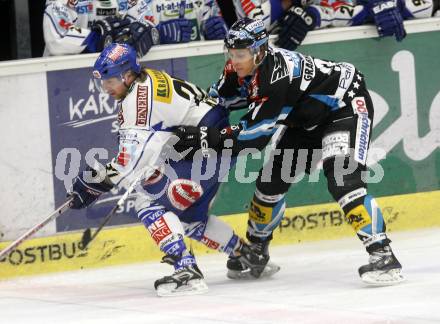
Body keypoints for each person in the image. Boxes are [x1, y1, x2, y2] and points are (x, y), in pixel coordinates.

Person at [174, 17, 405, 285]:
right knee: (269, 184)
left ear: (259, 51)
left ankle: (383, 255)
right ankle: (256, 251)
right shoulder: (236, 69)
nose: (235, 60)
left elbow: (254, 138)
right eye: (231, 53)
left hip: (345, 107)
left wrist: (204, 138)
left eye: (241, 54)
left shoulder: (275, 79)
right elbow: (213, 103)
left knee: (344, 180)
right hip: (304, 118)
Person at [66, 43, 269, 296]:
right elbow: (153, 143)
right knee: (188, 217)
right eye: (103, 82)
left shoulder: (138, 101)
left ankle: (186, 269)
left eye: (109, 81)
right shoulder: (147, 79)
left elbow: (130, 162)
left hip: (205, 149)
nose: (105, 88)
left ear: (127, 75)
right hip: (213, 145)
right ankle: (246, 255)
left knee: (148, 201)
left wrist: (92, 183)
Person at [43, 0, 159, 57]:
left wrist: (135, 36)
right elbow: (59, 35)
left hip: (115, 76)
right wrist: (97, 39)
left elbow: (147, 28)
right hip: (66, 75)